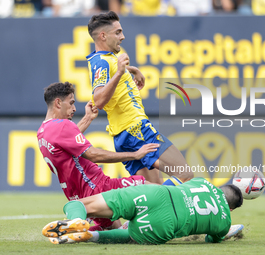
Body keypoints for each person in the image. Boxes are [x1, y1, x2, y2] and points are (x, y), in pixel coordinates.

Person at [86, 11, 194, 185]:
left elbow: (113, 72)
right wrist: (121, 71)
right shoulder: (102, 62)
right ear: (103, 36)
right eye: (118, 32)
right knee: (185, 174)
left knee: (153, 189)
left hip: (123, 135)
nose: (123, 36)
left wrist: (132, 70)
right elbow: (98, 100)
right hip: (135, 129)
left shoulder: (105, 59)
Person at [37, 81, 159, 232]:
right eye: (71, 103)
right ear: (58, 103)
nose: (74, 108)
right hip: (98, 186)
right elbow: (92, 154)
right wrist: (135, 155)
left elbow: (68, 139)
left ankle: (76, 231)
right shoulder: (63, 125)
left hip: (78, 196)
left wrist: (88, 118)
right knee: (155, 190)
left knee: (116, 230)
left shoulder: (43, 131)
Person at [42, 177, 244, 244]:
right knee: (129, 235)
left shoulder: (202, 181)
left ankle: (76, 219)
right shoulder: (224, 221)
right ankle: (90, 236)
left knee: (82, 205)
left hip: (157, 194)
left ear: (219, 189)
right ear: (232, 208)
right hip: (167, 223)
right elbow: (212, 239)